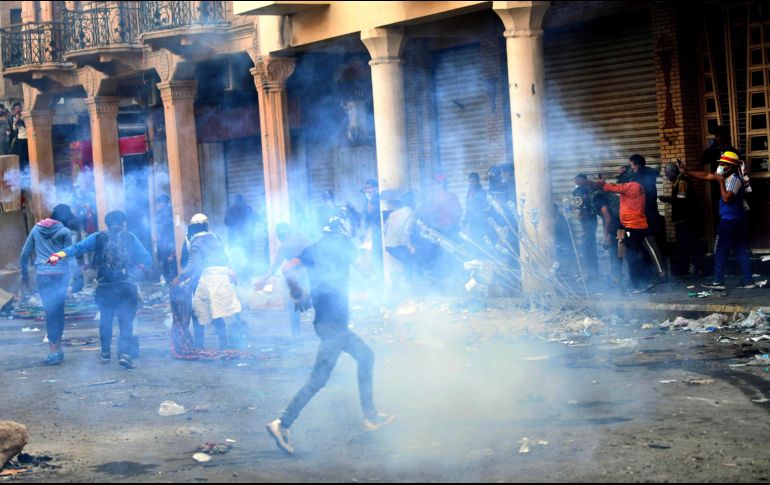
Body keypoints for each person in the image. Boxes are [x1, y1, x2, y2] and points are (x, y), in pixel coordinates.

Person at [265, 217, 394, 455]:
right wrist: (365, 246)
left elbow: (286, 269)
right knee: (322, 377)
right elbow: (367, 271)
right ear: (343, 232)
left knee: (363, 358)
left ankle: (370, 415)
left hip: (326, 322)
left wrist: (298, 292)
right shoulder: (345, 246)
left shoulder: (313, 248)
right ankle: (282, 423)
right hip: (334, 325)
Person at [48, 210, 151, 369]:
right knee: (125, 321)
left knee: (106, 320)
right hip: (126, 286)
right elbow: (146, 258)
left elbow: (77, 248)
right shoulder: (131, 237)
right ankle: (124, 354)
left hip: (105, 287)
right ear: (123, 223)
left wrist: (59, 254)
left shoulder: (97, 237)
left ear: (107, 224)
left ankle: (105, 353)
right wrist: (140, 267)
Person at [680, 152, 755, 289]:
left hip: (730, 222)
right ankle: (748, 280)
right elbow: (706, 175)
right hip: (735, 221)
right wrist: (687, 172)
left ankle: (718, 281)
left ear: (730, 166)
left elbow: (727, 198)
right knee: (739, 250)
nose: (719, 166)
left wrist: (720, 182)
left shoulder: (734, 180)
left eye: (722, 164)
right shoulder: (726, 177)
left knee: (720, 251)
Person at [586, 167, 666, 289]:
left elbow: (607, 187)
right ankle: (658, 274)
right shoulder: (638, 187)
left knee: (626, 252)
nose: (620, 179)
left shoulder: (630, 186)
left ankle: (632, 281)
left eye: (622, 176)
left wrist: (590, 182)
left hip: (630, 226)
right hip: (631, 225)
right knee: (645, 248)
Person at [175, 213, 245, 349]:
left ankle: (209, 345)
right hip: (202, 278)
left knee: (207, 310)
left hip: (205, 278)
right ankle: (211, 344)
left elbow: (190, 263)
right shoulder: (209, 237)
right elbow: (187, 262)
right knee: (210, 310)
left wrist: (182, 278)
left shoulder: (197, 239)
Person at [19, 204, 75, 365]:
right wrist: (76, 279)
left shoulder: (36, 229)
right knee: (59, 312)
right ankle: (55, 348)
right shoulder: (65, 232)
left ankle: (54, 350)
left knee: (50, 312)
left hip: (43, 277)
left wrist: (24, 275)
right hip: (60, 276)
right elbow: (70, 256)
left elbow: (25, 253)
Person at [255, 223, 308, 337]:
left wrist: (262, 280)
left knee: (293, 303)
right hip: (309, 273)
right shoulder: (301, 238)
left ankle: (296, 333)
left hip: (295, 276)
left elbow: (275, 266)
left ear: (280, 235)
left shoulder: (285, 246)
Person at [659, 163, 699, 277]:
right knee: (683, 245)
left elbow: (681, 200)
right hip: (682, 219)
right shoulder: (677, 181)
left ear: (673, 172)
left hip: (686, 219)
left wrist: (667, 199)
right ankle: (686, 269)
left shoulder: (682, 181)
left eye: (667, 174)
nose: (666, 176)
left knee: (689, 244)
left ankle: (696, 268)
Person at [629, 154, 666, 258]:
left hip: (644, 214)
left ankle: (652, 267)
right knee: (654, 239)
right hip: (653, 212)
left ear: (636, 165)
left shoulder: (637, 178)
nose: (631, 168)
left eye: (631, 165)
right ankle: (659, 268)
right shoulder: (650, 172)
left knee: (646, 241)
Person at [383, 191, 417, 285]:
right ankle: (407, 286)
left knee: (405, 263)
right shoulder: (411, 214)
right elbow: (406, 233)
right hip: (399, 245)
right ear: (413, 202)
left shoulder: (394, 213)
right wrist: (410, 247)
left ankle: (398, 278)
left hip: (388, 245)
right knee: (412, 262)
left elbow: (384, 229)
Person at [572, 174, 599, 280]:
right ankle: (594, 272)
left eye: (577, 178)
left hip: (587, 220)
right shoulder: (590, 189)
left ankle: (589, 273)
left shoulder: (579, 191)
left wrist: (577, 211)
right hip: (591, 220)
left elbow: (579, 205)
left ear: (583, 179)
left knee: (586, 247)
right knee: (591, 245)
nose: (575, 180)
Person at [224, 194, 256, 270]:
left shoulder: (230, 209)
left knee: (237, 256)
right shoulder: (248, 208)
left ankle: (238, 272)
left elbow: (226, 222)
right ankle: (247, 272)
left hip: (236, 237)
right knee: (247, 255)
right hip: (246, 236)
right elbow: (253, 220)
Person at [464, 172, 490, 248]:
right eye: (470, 181)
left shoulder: (482, 193)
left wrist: (478, 211)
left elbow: (487, 208)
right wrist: (465, 220)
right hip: (472, 222)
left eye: (474, 181)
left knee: (481, 241)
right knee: (474, 241)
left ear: (478, 181)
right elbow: (467, 207)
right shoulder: (469, 191)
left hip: (481, 222)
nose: (472, 183)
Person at [155, 194, 177, 283]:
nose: (160, 204)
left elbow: (174, 222)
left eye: (161, 202)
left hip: (171, 236)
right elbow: (157, 224)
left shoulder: (172, 210)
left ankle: (175, 275)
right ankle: (166, 276)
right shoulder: (159, 212)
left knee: (173, 255)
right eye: (159, 203)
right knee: (164, 257)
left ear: (165, 202)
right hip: (163, 237)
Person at [8, 102, 28, 172]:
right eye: (16, 109)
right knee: (22, 155)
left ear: (21, 108)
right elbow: (14, 128)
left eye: (19, 108)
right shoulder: (14, 117)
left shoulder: (26, 115)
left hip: (28, 138)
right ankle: (23, 170)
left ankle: (28, 168)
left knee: (28, 155)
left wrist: (21, 119)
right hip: (20, 139)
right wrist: (17, 120)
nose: (18, 110)